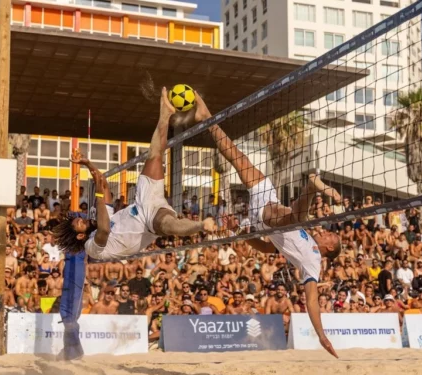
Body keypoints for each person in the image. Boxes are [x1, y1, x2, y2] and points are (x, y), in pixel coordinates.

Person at [200, 93, 339, 358]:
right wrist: (240, 233)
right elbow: (266, 249)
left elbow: (311, 300)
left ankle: (313, 185)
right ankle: (208, 120)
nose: (326, 232)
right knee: (237, 156)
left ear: (329, 249)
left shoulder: (312, 264)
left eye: (330, 236)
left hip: (271, 218)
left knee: (295, 218)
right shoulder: (305, 242)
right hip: (268, 205)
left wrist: (321, 335)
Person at [54, 88, 215, 259]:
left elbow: (104, 184)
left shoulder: (99, 218)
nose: (81, 219)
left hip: (142, 201)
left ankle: (165, 114)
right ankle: (200, 226)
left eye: (78, 218)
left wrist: (87, 163)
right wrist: (99, 197)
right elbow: (104, 230)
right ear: (80, 235)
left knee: (154, 155)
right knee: (168, 224)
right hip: (147, 223)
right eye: (78, 223)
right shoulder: (91, 247)